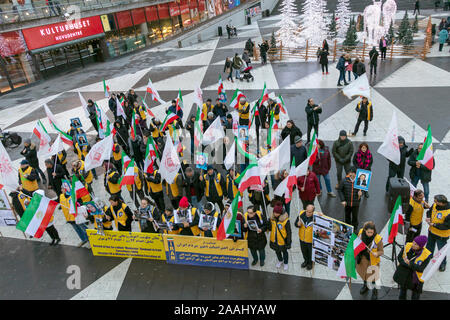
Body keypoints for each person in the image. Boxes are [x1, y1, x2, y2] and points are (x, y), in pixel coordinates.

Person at [394, 235, 432, 300]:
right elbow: (399, 257)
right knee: (402, 293)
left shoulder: (427, 255)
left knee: (415, 296)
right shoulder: (407, 245)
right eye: (413, 242)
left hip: (416, 279)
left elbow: (421, 269)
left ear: (421, 246)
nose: (413, 245)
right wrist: (408, 264)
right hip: (404, 275)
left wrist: (409, 263)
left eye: (416, 244)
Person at [356, 221, 384, 300]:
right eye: (368, 232)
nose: (370, 234)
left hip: (373, 261)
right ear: (365, 230)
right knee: (364, 274)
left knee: (374, 279)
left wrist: (377, 253)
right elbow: (358, 242)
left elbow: (381, 251)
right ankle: (365, 286)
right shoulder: (361, 232)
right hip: (362, 259)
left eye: (372, 232)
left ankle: (375, 292)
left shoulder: (378, 239)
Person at [425, 194, 450, 272]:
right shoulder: (435, 205)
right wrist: (428, 217)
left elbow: (447, 226)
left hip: (441, 235)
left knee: (441, 251)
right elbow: (429, 212)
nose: (434, 202)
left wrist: (434, 224)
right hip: (432, 232)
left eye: (436, 201)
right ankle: (427, 259)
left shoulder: (448, 212)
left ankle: (442, 264)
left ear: (442, 203)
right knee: (429, 247)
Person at [295, 204, 323, 270]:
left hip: (310, 240)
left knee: (310, 253)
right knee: (304, 251)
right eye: (307, 211)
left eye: (309, 212)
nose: (307, 213)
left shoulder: (316, 217)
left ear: (313, 212)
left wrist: (322, 216)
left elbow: (323, 223)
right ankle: (306, 261)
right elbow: (295, 223)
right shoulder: (301, 214)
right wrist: (297, 224)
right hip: (302, 238)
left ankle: (310, 263)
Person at [338, 166, 363, 231]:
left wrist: (361, 193)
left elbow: (362, 189)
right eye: (350, 172)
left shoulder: (359, 181)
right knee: (347, 217)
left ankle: (355, 230)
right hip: (347, 203)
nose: (351, 174)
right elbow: (340, 190)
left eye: (353, 173)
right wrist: (342, 200)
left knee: (355, 217)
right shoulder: (344, 180)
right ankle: (348, 229)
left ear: (356, 173)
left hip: (356, 203)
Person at [269, 204, 292, 271]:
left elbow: (289, 232)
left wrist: (289, 242)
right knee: (277, 251)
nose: (275, 214)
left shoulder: (285, 221)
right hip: (274, 239)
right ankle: (280, 260)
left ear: (280, 213)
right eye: (274, 212)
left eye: (277, 213)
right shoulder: (272, 219)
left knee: (284, 252)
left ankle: (286, 263)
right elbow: (270, 228)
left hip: (282, 240)